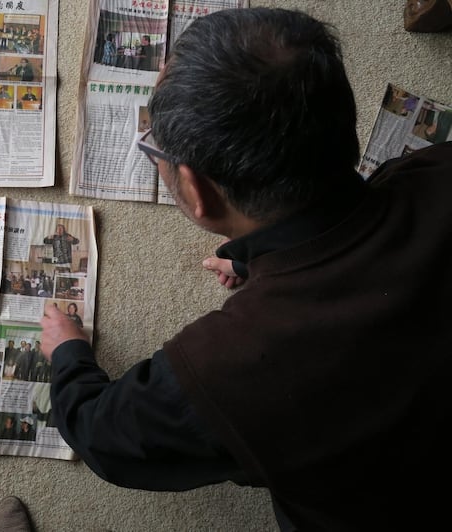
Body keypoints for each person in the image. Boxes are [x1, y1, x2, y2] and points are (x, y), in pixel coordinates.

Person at [39, 7, 452, 532]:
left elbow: (102, 435)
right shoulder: (438, 169)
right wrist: (265, 259)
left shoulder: (225, 370)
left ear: (195, 189)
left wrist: (68, 352)